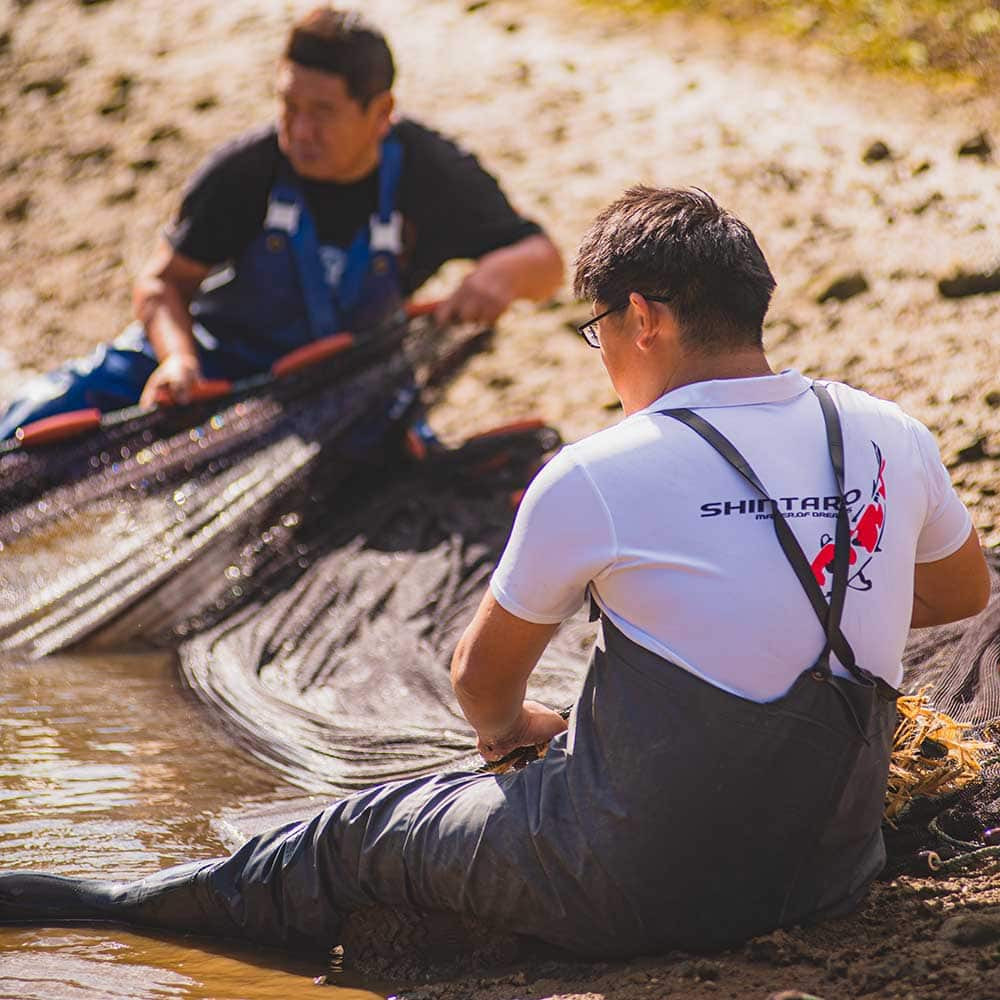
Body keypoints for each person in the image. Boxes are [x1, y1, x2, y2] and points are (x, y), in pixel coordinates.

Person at [0, 187, 990, 957]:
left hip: (633, 886)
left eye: (594, 328)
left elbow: (481, 680)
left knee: (356, 831)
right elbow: (958, 596)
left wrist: (510, 736)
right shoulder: (887, 434)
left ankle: (130, 906)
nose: (599, 351)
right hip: (828, 868)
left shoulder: (599, 472)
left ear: (641, 316)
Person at [0, 7, 562, 440]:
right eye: (288, 106)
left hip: (345, 382)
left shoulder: (433, 172)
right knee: (36, 419)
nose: (299, 130)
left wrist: (502, 275)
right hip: (211, 363)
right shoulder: (244, 170)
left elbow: (546, 262)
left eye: (323, 113)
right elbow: (162, 283)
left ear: (382, 113)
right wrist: (177, 356)